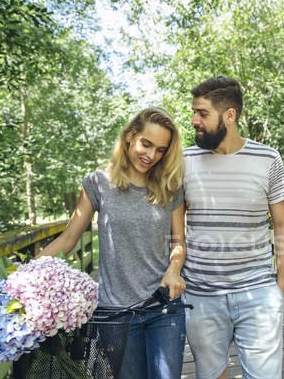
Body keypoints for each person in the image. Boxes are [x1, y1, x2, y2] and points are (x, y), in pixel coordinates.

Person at [37, 107, 187, 379]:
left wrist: (174, 270)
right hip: (115, 314)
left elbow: (178, 243)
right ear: (130, 136)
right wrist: (26, 276)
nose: (151, 155)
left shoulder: (171, 186)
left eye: (161, 150)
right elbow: (69, 238)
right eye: (146, 144)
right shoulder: (97, 183)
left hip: (163, 308)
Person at [182, 76, 284, 379]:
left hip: (257, 293)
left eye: (202, 113)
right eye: (194, 112)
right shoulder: (183, 160)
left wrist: (279, 287)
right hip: (200, 295)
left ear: (229, 115)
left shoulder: (268, 158)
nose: (194, 120)